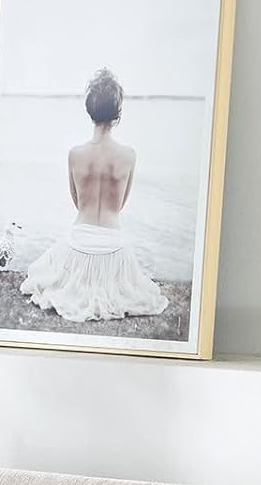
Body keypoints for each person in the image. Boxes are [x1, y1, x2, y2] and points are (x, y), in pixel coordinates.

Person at [20, 69, 167, 323]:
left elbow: (78, 202)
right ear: (117, 113)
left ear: (90, 110)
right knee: (134, 289)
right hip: (114, 246)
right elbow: (120, 206)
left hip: (78, 243)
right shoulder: (129, 155)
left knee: (45, 275)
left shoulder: (75, 154)